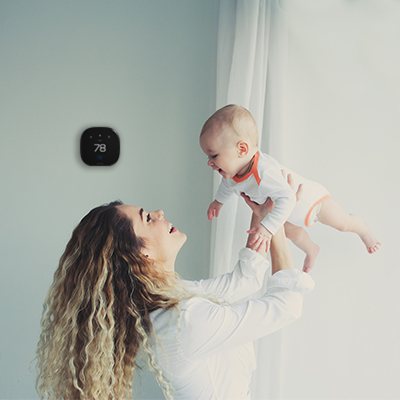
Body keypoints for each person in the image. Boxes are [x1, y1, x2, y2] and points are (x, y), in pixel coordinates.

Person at [35, 190, 314, 399]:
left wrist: (262, 216)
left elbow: (243, 282)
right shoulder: (182, 321)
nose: (159, 213)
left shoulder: (172, 302)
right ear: (141, 253)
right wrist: (274, 224)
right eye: (146, 218)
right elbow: (287, 305)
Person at [200, 104, 381, 272]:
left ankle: (363, 229)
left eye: (213, 155)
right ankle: (312, 250)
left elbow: (287, 198)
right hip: (288, 213)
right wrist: (219, 201)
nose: (209, 163)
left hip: (313, 203)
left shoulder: (264, 172)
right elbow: (228, 185)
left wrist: (268, 228)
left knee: (343, 224)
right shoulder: (232, 173)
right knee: (292, 233)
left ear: (242, 149)